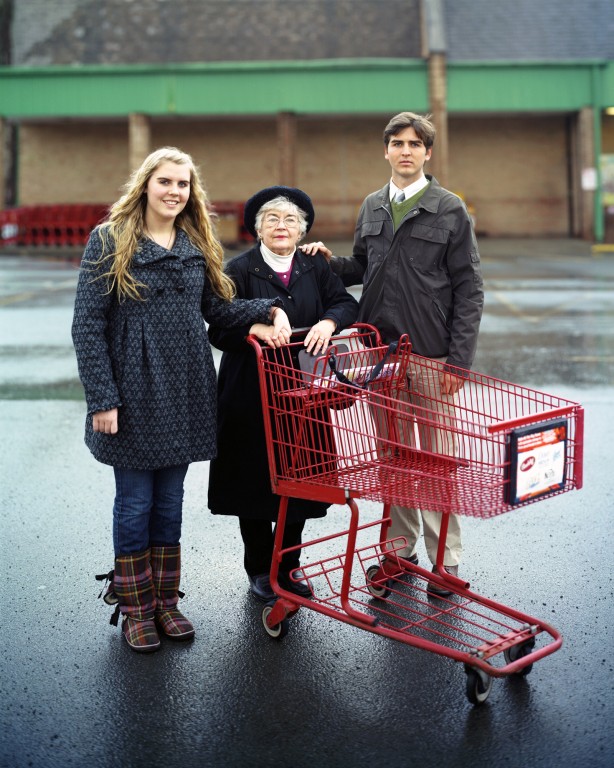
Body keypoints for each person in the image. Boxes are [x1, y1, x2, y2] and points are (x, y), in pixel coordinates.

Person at [72, 148, 291, 652]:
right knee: (135, 503)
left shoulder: (196, 242)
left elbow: (217, 306)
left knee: (169, 503)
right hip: (131, 392)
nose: (175, 191)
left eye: (183, 184)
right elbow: (88, 326)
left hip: (186, 388)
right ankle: (134, 607)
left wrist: (269, 309)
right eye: (165, 182)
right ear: (145, 185)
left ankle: (165, 602)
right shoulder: (110, 241)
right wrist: (102, 398)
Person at [302, 112, 484, 596]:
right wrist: (329, 263)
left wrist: (458, 360)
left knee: (438, 461)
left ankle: (445, 562)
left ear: (427, 153)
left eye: (415, 144)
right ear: (386, 150)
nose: (405, 151)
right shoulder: (372, 206)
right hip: (381, 356)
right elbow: (363, 266)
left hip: (431, 358)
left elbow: (469, 288)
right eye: (397, 143)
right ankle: (397, 552)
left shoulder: (449, 210)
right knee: (394, 460)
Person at [207, 186, 359, 603]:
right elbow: (218, 327)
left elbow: (346, 303)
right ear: (258, 229)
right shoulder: (238, 269)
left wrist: (329, 323)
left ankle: (287, 567)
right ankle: (259, 568)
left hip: (303, 391)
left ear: (302, 230)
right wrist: (253, 328)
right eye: (272, 219)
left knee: (301, 479)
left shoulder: (315, 267)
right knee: (253, 482)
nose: (281, 226)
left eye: (290, 220)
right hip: (250, 392)